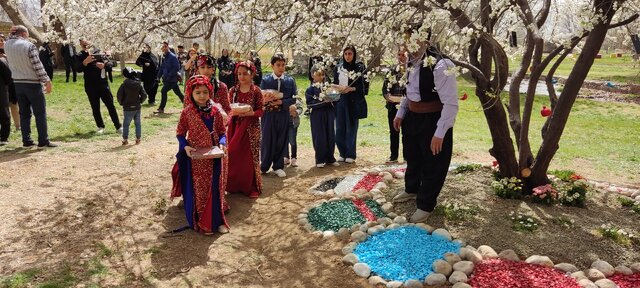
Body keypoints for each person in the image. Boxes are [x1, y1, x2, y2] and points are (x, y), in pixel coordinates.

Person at [392, 37, 459, 224]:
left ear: (424, 40)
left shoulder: (442, 65)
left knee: (433, 162)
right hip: (413, 118)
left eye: (411, 40)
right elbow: (409, 91)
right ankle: (412, 188)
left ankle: (426, 204)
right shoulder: (410, 61)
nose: (407, 46)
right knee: (413, 156)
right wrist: (401, 112)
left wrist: (440, 132)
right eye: (404, 41)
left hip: (433, 120)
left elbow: (451, 104)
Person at [171, 75, 229, 234]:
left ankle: (218, 221)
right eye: (198, 93)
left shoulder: (216, 110)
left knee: (216, 187)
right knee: (201, 189)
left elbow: (222, 131)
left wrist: (222, 143)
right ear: (191, 93)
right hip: (197, 158)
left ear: (210, 91)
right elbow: (180, 133)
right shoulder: (187, 112)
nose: (202, 96)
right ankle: (204, 223)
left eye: (205, 92)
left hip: (215, 156)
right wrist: (186, 147)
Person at [4, 25, 56, 147]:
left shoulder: (7, 45)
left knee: (24, 113)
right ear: (23, 34)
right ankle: (43, 140)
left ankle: (26, 140)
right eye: (27, 34)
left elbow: (10, 39)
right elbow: (37, 66)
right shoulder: (28, 46)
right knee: (40, 112)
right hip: (32, 82)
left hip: (17, 82)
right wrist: (47, 80)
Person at [226, 61, 263, 198]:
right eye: (239, 74)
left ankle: (251, 187)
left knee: (248, 157)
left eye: (245, 74)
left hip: (251, 128)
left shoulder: (256, 91)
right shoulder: (232, 91)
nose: (242, 77)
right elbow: (228, 108)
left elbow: (261, 110)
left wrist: (250, 113)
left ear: (252, 74)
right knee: (234, 154)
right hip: (235, 127)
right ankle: (233, 185)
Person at [259, 53, 297, 178]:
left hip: (283, 114)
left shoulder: (290, 81)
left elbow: (293, 98)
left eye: (283, 65)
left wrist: (282, 102)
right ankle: (264, 165)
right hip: (269, 114)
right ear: (272, 66)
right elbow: (261, 97)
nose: (281, 67)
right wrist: (268, 98)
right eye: (278, 65)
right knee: (267, 139)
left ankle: (278, 166)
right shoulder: (266, 80)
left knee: (281, 139)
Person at [77, 38, 122, 134]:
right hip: (90, 85)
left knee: (110, 105)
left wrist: (104, 65)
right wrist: (85, 62)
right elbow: (78, 69)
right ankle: (100, 126)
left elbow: (112, 63)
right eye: (82, 43)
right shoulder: (80, 55)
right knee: (95, 107)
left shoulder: (99, 52)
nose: (84, 45)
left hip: (103, 84)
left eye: (86, 42)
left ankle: (118, 126)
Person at [333, 45, 369, 163]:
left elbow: (364, 87)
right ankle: (342, 152)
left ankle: (350, 154)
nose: (348, 56)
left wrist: (351, 89)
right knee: (339, 128)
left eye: (350, 54)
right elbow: (334, 83)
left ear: (354, 55)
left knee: (351, 128)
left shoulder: (359, 67)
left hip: (353, 101)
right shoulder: (338, 67)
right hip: (340, 100)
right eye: (346, 54)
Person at [305, 66, 338, 168]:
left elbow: (336, 98)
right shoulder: (309, 89)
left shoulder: (328, 87)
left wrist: (334, 98)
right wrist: (322, 101)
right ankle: (320, 159)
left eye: (323, 74)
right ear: (312, 75)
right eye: (319, 74)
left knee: (330, 135)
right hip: (317, 114)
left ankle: (330, 158)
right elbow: (309, 104)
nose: (321, 77)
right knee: (319, 136)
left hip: (329, 112)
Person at [381, 48, 408, 164]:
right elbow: (384, 89)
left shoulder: (411, 71)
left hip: (407, 107)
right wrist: (388, 97)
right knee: (394, 131)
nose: (401, 57)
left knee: (407, 132)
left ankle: (407, 156)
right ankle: (393, 156)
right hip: (393, 106)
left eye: (404, 55)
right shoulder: (392, 71)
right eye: (399, 54)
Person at [116, 67, 147, 145]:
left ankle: (125, 139)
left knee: (126, 124)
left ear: (125, 76)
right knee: (138, 123)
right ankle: (138, 139)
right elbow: (144, 95)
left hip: (127, 108)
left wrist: (122, 103)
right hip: (137, 107)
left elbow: (119, 96)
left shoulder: (123, 85)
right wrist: (140, 101)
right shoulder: (138, 84)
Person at [156, 41, 184, 114]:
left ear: (168, 47)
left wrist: (169, 76)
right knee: (178, 93)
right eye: (163, 47)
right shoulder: (163, 56)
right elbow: (162, 68)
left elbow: (176, 68)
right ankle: (187, 105)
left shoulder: (172, 56)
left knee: (163, 91)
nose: (164, 48)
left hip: (172, 79)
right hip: (167, 79)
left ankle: (161, 108)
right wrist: (158, 77)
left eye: (165, 46)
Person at [0, 33, 19, 132]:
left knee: (13, 102)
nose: (1, 42)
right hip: (2, 82)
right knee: (3, 105)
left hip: (11, 79)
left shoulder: (10, 51)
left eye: (2, 40)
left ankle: (18, 125)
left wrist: (6, 58)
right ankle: (6, 127)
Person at [285, 97, 303, 167]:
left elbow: (300, 108)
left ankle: (293, 158)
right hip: (283, 123)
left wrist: (296, 112)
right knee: (284, 141)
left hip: (293, 123)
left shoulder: (296, 97)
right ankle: (286, 157)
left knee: (292, 141)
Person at [0, 46, 11, 145]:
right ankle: (3, 137)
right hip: (2, 91)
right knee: (4, 113)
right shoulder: (2, 61)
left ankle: (3, 137)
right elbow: (9, 77)